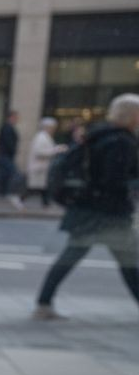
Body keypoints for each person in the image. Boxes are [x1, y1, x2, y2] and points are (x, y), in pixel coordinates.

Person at [32, 93, 139, 321]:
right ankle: (43, 303)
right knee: (129, 262)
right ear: (132, 115)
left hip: (88, 209)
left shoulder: (101, 135)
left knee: (73, 256)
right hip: (107, 213)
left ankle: (43, 302)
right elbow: (114, 180)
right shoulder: (121, 141)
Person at [26, 117, 64, 207]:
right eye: (52, 128)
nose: (53, 130)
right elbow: (39, 152)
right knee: (35, 187)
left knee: (42, 186)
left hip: (42, 167)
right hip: (38, 167)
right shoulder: (41, 137)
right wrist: (56, 150)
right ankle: (21, 199)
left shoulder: (45, 136)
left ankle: (46, 203)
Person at [0, 110, 24, 209]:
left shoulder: (9, 127)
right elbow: (8, 142)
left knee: (3, 174)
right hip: (4, 155)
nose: (16, 119)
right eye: (15, 117)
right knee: (13, 172)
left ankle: (1, 192)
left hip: (5, 155)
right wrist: (12, 150)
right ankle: (0, 191)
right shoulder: (7, 127)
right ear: (10, 117)